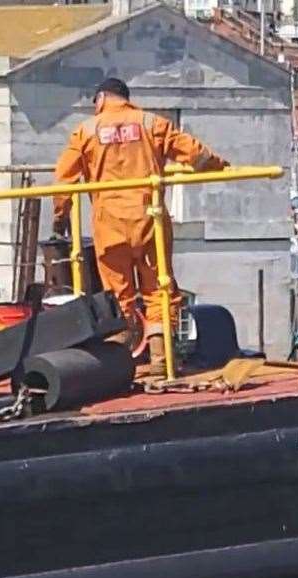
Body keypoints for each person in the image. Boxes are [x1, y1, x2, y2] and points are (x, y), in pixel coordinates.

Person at [53, 78, 229, 375]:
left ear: (100, 99)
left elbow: (64, 180)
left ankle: (120, 363)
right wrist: (220, 166)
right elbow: (196, 154)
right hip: (151, 221)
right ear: (126, 98)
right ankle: (162, 362)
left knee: (117, 294)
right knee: (158, 289)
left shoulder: (85, 131)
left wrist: (61, 216)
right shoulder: (152, 123)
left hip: (109, 225)